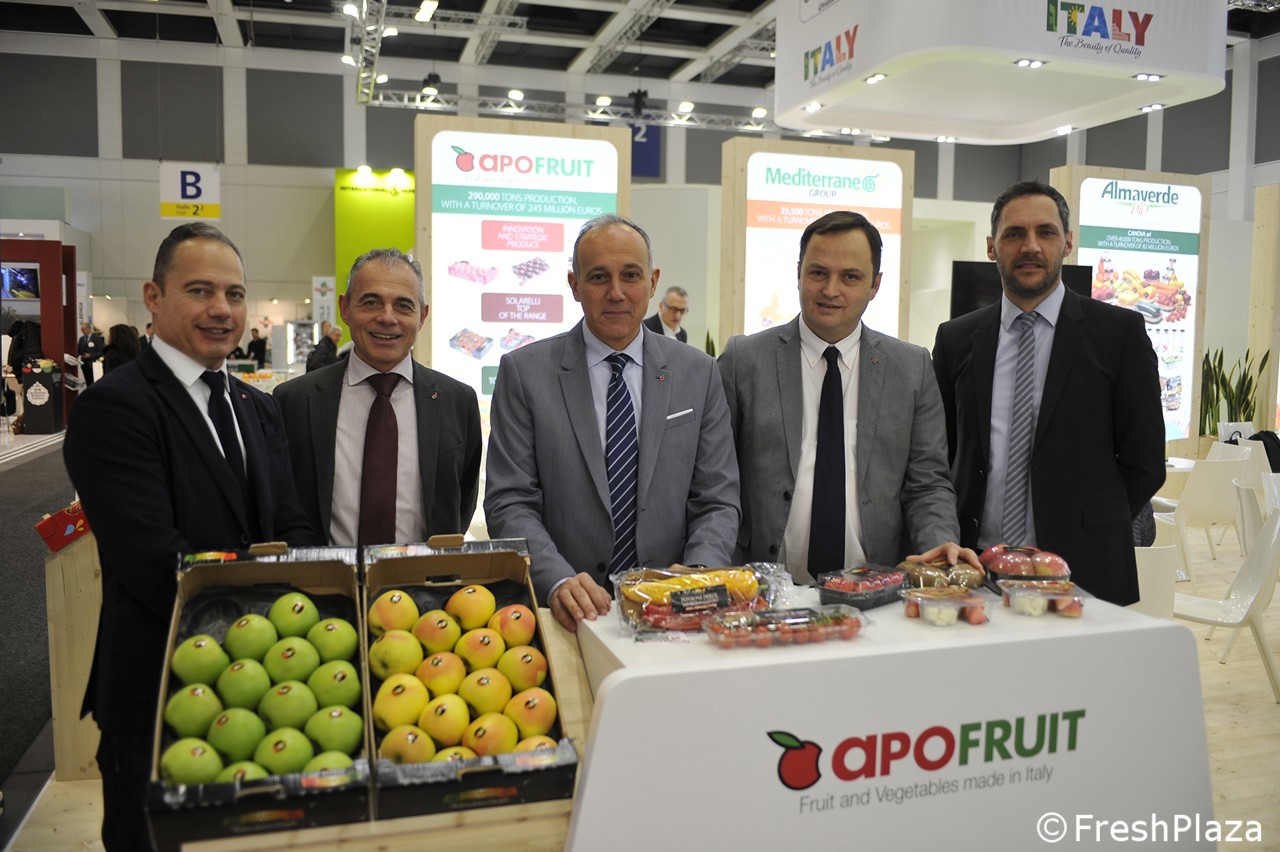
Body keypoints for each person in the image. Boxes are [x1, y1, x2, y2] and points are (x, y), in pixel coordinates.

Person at [63, 222, 313, 850]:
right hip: (160, 690)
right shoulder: (115, 407)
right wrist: (268, 620)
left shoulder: (257, 407)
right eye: (200, 290)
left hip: (269, 685)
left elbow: (292, 524)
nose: (221, 309)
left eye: (234, 294)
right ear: (153, 296)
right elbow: (154, 559)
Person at [485, 214, 740, 631]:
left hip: (675, 609)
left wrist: (697, 573)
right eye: (599, 277)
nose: (616, 292)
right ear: (574, 285)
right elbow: (509, 501)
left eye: (631, 275)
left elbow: (718, 497)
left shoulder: (699, 372)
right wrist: (557, 579)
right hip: (568, 614)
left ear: (653, 282)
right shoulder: (524, 373)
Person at [932, 181, 1165, 605]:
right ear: (991, 247)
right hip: (975, 569)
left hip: (1084, 571)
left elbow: (1145, 463)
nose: (1030, 246)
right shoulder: (956, 339)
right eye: (1014, 233)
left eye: (1046, 232)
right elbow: (940, 453)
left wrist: (1091, 526)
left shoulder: (1119, 335)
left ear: (1068, 242)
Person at [719, 211, 974, 583]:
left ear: (875, 285)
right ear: (799, 274)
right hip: (762, 588)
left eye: (850, 277)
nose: (830, 290)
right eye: (818, 273)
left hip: (877, 589)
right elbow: (715, 483)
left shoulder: (912, 368)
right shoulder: (743, 361)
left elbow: (928, 483)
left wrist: (940, 545)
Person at [275, 248, 481, 547]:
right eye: (371, 302)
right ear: (345, 308)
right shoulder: (293, 401)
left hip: (427, 575)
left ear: (422, 316)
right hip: (326, 574)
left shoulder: (457, 402)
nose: (387, 317)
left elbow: (462, 502)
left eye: (403, 306)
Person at [77, 321, 104, 387]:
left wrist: (90, 355)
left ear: (88, 329)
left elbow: (101, 351)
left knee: (94, 382)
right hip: (84, 364)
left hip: (94, 364)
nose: (82, 331)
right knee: (88, 382)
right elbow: (78, 351)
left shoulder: (97, 338)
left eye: (83, 329)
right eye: (81, 329)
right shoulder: (81, 339)